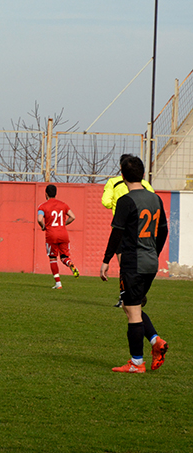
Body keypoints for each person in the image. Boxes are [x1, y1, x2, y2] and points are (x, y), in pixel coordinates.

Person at [100, 156, 168, 373]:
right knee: (132, 306)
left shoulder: (125, 201)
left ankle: (137, 362)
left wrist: (106, 260)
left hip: (132, 263)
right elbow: (164, 231)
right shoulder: (156, 199)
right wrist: (154, 252)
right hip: (150, 262)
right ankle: (155, 340)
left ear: (122, 176)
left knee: (132, 310)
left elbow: (117, 233)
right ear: (143, 174)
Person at [102, 153, 155, 307]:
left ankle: (125, 296)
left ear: (121, 169)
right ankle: (138, 293)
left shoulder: (113, 183)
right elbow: (152, 198)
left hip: (123, 229)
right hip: (144, 230)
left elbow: (105, 202)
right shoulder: (145, 184)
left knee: (124, 265)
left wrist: (115, 205)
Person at [36, 184, 80, 289]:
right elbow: (73, 216)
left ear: (46, 194)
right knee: (64, 257)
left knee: (53, 258)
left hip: (51, 235)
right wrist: (63, 224)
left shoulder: (42, 206)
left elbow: (39, 219)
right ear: (56, 193)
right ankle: (70, 263)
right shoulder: (63, 205)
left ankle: (58, 283)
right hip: (63, 234)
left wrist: (43, 226)